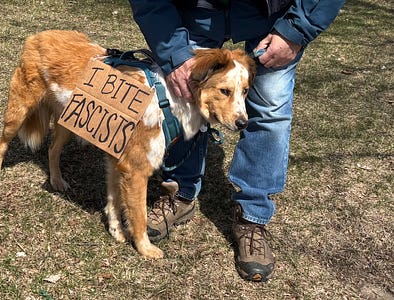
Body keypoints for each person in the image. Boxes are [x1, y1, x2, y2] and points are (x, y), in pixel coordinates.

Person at [128, 0, 345, 282]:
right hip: (195, 10)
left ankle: (251, 216)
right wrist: (175, 53)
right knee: (182, 96)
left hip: (273, 15)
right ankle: (179, 192)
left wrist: (296, 28)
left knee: (270, 110)